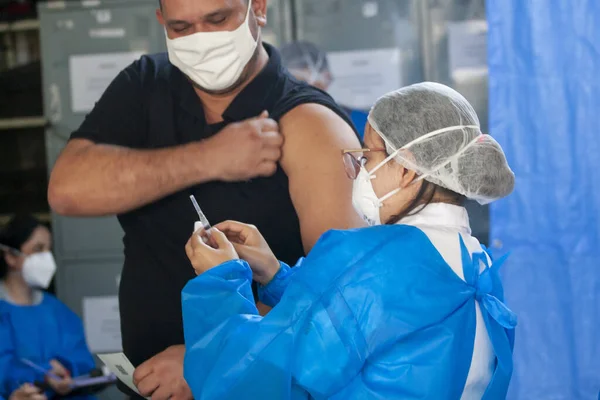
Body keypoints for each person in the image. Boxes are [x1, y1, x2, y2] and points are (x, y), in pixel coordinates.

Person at [47, 0, 363, 398]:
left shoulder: (310, 124)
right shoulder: (147, 85)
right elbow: (67, 190)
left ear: (258, 9)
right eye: (182, 27)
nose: (202, 40)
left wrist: (212, 355)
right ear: (162, 21)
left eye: (218, 19)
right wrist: (209, 158)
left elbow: (349, 307)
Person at [180, 82, 517, 399]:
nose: (358, 170)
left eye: (367, 157)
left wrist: (219, 284)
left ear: (406, 170)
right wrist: (275, 275)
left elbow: (251, 380)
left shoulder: (370, 260)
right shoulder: (478, 267)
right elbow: (369, 323)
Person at [0, 215, 96, 400]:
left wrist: (65, 369)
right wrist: (41, 375)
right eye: (38, 249)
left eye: (48, 250)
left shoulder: (57, 310)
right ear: (11, 256)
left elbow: (81, 358)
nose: (46, 258)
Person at [280, 40, 370, 137]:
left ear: (326, 77)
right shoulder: (273, 128)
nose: (296, 92)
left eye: (302, 83)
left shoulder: (362, 125)